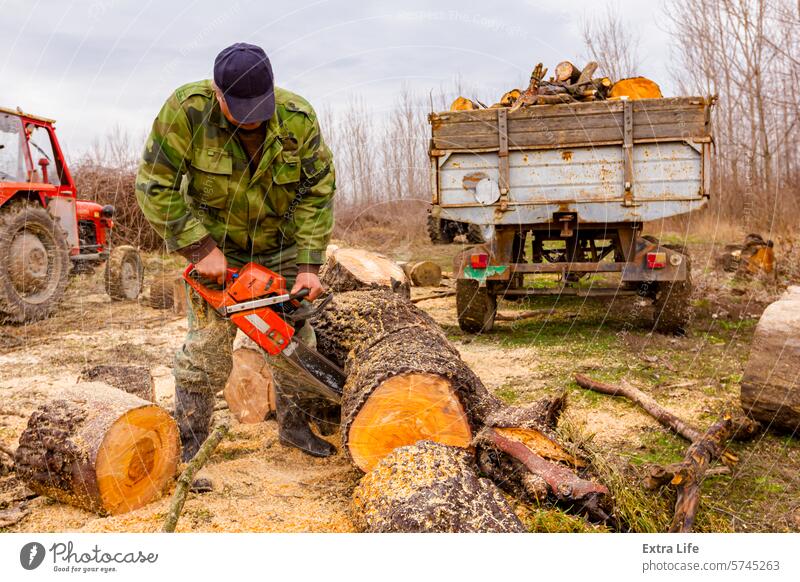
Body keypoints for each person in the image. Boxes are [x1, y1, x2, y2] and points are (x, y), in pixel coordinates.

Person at [135, 43, 337, 488]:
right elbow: (154, 184)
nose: (250, 118)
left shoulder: (297, 119)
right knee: (205, 347)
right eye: (239, 109)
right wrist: (198, 246)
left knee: (293, 335)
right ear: (217, 92)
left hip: (279, 242)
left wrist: (308, 264)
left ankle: (297, 429)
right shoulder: (186, 113)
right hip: (215, 246)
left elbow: (318, 190)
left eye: (258, 108)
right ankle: (190, 448)